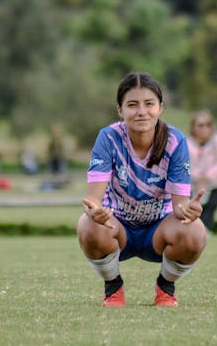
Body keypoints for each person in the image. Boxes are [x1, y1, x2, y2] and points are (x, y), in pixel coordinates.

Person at [76, 72, 207, 307]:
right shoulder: (108, 138)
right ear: (120, 110)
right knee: (87, 226)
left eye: (149, 104)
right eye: (132, 105)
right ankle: (113, 287)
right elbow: (92, 200)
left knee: (195, 231)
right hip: (117, 228)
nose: (141, 112)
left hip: (158, 231)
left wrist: (189, 211)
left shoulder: (175, 141)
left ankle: (166, 287)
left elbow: (180, 206)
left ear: (161, 107)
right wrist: (94, 212)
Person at [187, 110, 217, 230]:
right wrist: (197, 177)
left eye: (208, 125)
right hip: (193, 184)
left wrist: (207, 176)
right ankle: (192, 228)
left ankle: (204, 228)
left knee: (212, 202)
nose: (204, 128)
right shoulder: (187, 143)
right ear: (193, 127)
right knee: (189, 202)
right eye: (200, 125)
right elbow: (183, 165)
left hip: (215, 183)